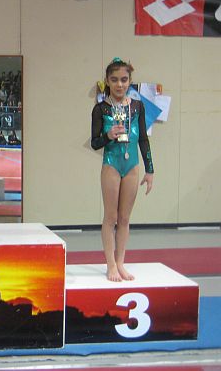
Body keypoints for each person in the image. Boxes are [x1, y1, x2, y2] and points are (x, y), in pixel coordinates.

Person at [91, 58, 154, 282]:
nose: (120, 84)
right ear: (107, 81)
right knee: (111, 217)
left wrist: (150, 170)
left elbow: (143, 139)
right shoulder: (101, 109)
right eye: (115, 80)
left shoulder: (137, 107)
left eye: (124, 80)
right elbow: (95, 143)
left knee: (125, 218)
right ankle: (110, 265)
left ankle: (120, 263)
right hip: (111, 164)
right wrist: (108, 136)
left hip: (132, 166)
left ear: (130, 81)